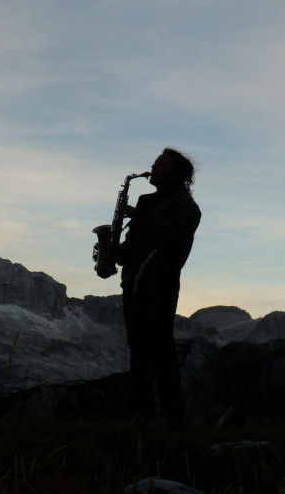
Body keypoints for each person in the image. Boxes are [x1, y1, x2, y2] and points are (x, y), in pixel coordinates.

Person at [116, 147, 201, 427]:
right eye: (154, 164)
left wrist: (140, 216)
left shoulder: (185, 206)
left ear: (177, 174)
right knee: (138, 347)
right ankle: (143, 414)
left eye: (160, 165)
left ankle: (171, 415)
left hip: (158, 281)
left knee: (159, 349)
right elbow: (136, 244)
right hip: (133, 280)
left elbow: (174, 238)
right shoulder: (147, 202)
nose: (152, 168)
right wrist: (116, 253)